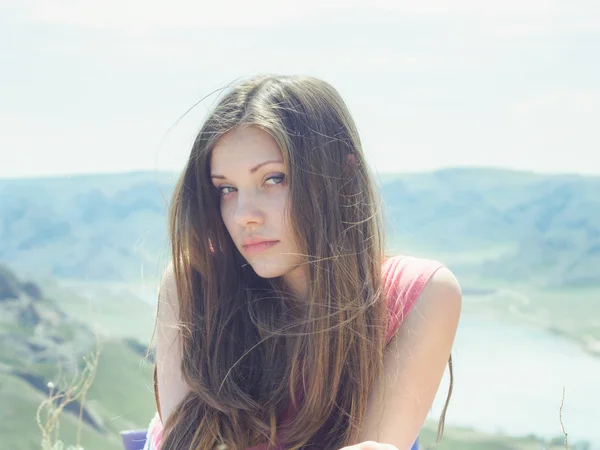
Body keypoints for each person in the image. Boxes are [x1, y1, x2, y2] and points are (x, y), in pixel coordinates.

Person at [145, 74, 462, 450]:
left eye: (273, 179)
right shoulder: (195, 283)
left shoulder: (421, 293)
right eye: (226, 189)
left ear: (343, 175)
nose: (244, 215)